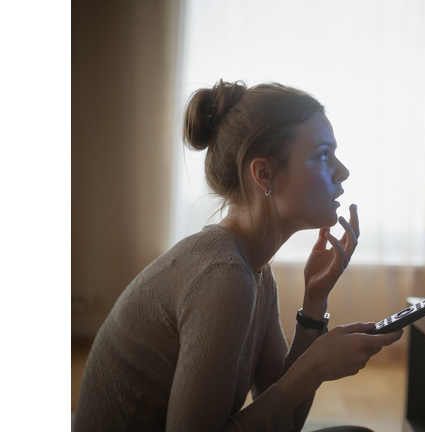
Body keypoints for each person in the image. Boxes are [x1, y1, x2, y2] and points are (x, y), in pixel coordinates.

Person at [73, 80, 403, 432]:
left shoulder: (254, 271)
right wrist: (315, 367)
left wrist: (314, 303)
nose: (342, 172)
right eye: (323, 154)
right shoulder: (223, 276)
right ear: (264, 174)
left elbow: (284, 419)